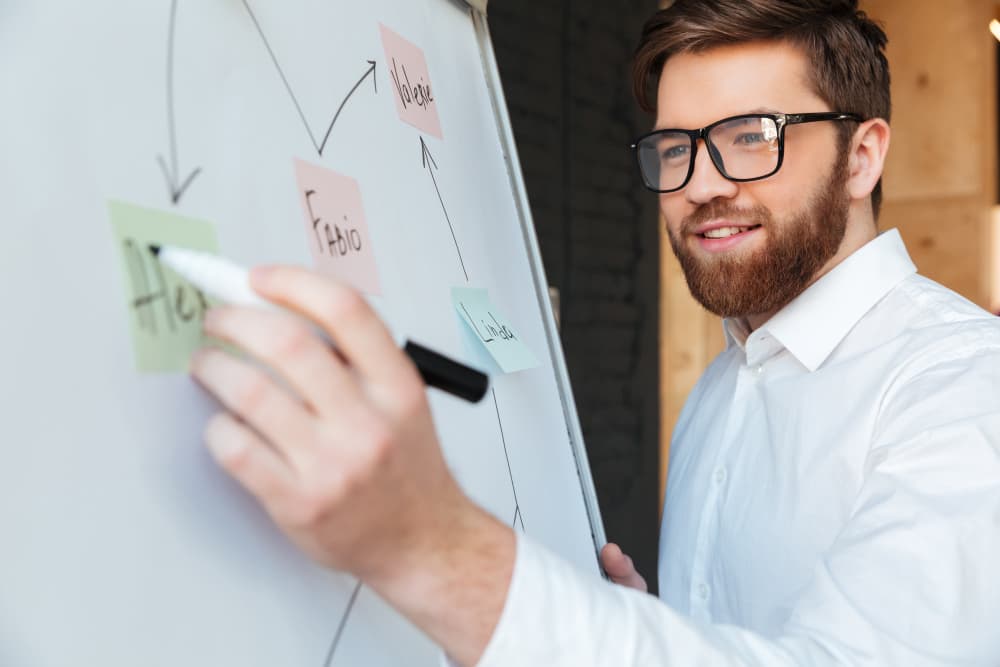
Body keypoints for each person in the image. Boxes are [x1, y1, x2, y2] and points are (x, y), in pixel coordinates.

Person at [189, 0, 1000, 664]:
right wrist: (649, 627)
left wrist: (431, 548)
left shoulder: (965, 391)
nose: (701, 184)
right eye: (676, 147)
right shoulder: (722, 386)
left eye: (751, 136)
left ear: (861, 157)